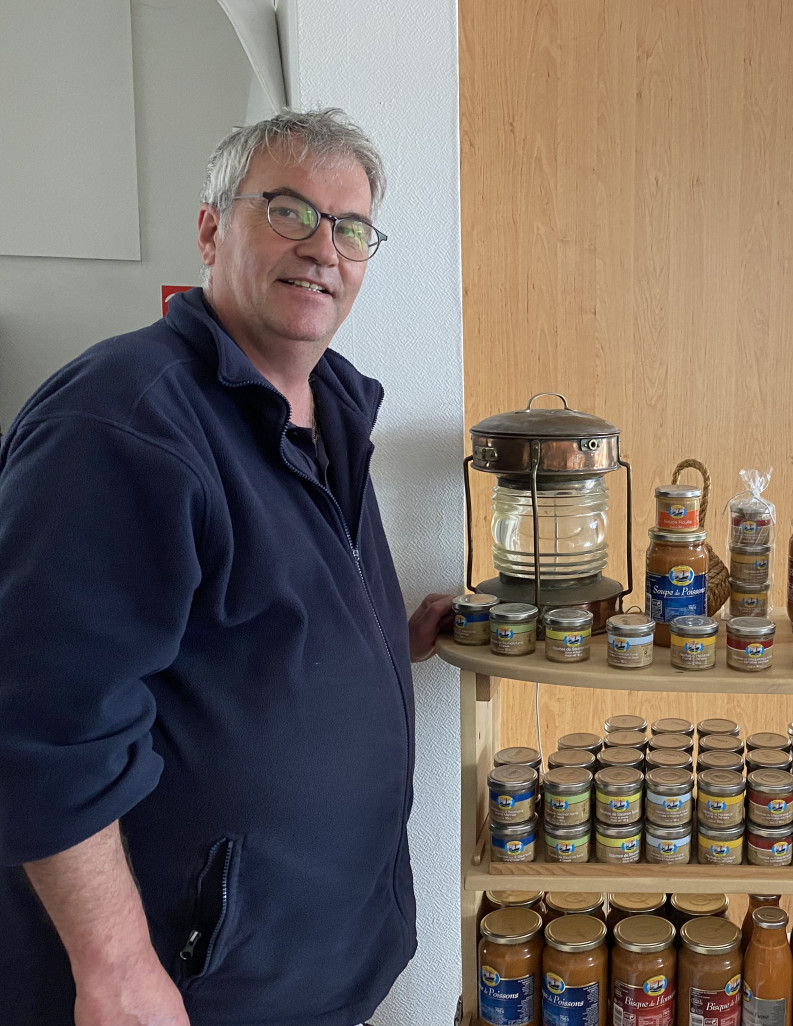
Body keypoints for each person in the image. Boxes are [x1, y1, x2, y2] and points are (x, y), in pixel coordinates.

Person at [0, 109, 454, 1026]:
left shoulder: (328, 404)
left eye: (350, 227)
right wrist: (117, 970)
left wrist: (386, 645)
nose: (324, 248)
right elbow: (39, 719)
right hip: (189, 988)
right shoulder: (125, 423)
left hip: (313, 966)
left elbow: (236, 633)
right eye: (288, 211)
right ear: (211, 227)